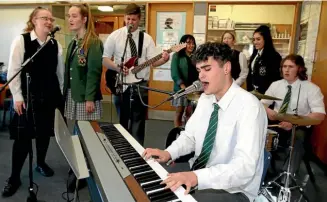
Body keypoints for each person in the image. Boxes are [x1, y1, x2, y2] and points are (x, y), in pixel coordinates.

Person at [143, 42, 268, 202]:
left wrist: (196, 177)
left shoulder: (250, 107)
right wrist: (169, 153)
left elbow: (244, 168)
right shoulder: (205, 99)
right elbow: (190, 137)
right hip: (199, 172)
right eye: (198, 70)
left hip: (234, 190)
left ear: (226, 68)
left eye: (207, 69)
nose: (201, 76)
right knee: (154, 185)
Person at [2, 7, 64, 197]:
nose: (49, 22)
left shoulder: (55, 44)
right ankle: (14, 177)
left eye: (50, 19)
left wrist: (59, 95)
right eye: (45, 18)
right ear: (34, 20)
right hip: (27, 99)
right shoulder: (21, 41)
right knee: (22, 140)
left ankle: (41, 162)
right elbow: (13, 71)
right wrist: (18, 97)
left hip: (49, 97)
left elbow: (59, 73)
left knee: (44, 135)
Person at [102, 3, 169, 146]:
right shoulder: (115, 36)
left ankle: (138, 151)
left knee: (138, 121)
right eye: (128, 19)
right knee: (122, 120)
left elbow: (153, 63)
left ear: (139, 19)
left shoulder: (147, 39)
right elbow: (105, 59)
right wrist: (117, 67)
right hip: (120, 83)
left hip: (140, 85)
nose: (130, 22)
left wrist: (163, 59)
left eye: (133, 19)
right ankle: (122, 149)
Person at [261, 54, 325, 177]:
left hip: (299, 126)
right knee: (259, 133)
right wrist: (269, 112)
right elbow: (261, 104)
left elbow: (319, 115)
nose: (286, 70)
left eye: (290, 66)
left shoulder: (311, 89)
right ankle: (263, 173)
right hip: (278, 124)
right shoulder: (276, 85)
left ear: (300, 69)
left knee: (298, 138)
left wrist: (293, 122)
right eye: (284, 66)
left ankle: (287, 176)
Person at [64, 3, 103, 133]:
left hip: (85, 95)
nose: (70, 20)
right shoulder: (73, 43)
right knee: (77, 130)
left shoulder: (93, 42)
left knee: (89, 132)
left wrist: (89, 98)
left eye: (74, 16)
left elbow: (93, 72)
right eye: (69, 16)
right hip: (73, 93)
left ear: (84, 19)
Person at [171, 34, 198, 127]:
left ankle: (188, 133)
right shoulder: (177, 56)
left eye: (193, 43)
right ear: (183, 44)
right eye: (188, 43)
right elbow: (174, 73)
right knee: (179, 112)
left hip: (194, 89)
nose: (191, 45)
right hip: (181, 89)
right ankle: (177, 133)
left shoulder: (196, 57)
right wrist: (183, 87)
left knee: (191, 113)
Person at [246, 25, 282, 94]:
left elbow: (275, 79)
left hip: (266, 95)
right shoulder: (254, 55)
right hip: (253, 93)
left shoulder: (274, 56)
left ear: (266, 39)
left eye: (258, 39)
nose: (255, 42)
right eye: (254, 39)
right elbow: (250, 75)